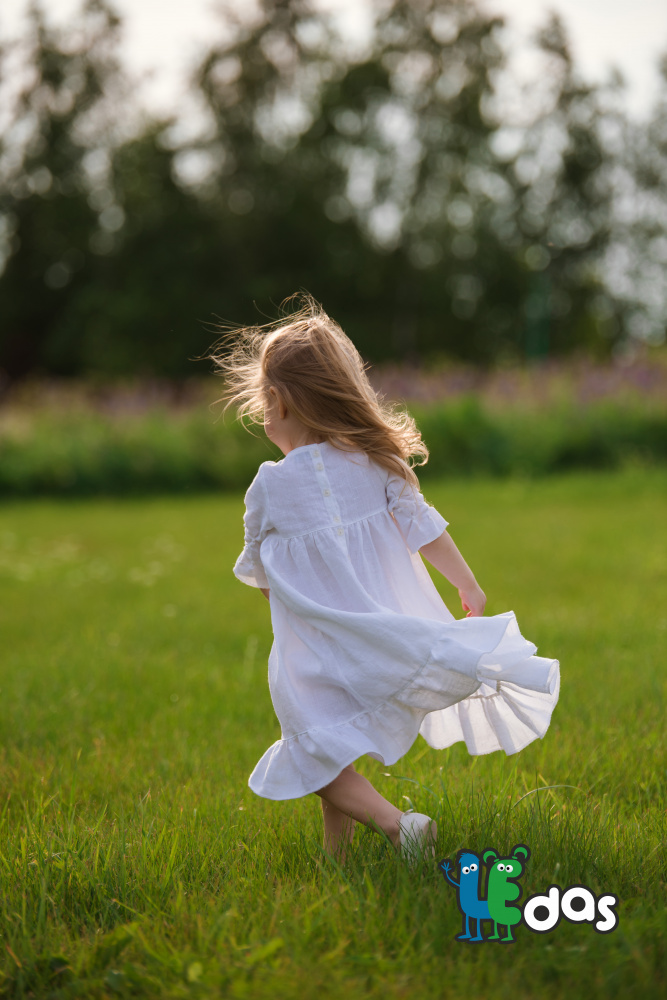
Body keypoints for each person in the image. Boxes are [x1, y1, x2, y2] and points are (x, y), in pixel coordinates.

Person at [211, 295, 560, 863]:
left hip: (314, 649)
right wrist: (466, 586)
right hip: (380, 636)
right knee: (330, 748)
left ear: (276, 401)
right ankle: (338, 859)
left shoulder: (269, 487)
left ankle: (401, 827)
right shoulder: (375, 460)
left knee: (312, 753)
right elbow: (425, 528)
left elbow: (263, 578)